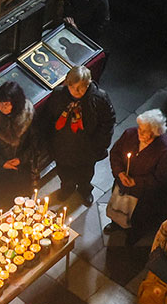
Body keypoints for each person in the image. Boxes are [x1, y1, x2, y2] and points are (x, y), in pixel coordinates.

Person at [41, 64, 115, 203]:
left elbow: (108, 121)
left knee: (85, 174)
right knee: (64, 172)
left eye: (82, 87)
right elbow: (48, 118)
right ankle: (67, 189)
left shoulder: (98, 98)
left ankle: (84, 190)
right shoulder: (58, 95)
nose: (77, 91)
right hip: (62, 146)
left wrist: (99, 145)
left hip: (87, 148)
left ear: (88, 84)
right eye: (73, 87)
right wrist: (49, 142)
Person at [107, 108, 167, 235]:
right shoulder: (130, 134)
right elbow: (115, 153)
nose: (139, 133)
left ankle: (133, 234)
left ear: (156, 132)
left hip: (142, 193)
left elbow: (161, 178)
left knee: (137, 216)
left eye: (145, 131)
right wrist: (120, 173)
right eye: (139, 128)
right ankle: (115, 224)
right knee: (117, 206)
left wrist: (136, 182)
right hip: (122, 183)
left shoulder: (165, 150)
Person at [0, 80, 43, 198]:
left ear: (15, 103)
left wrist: (20, 159)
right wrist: (2, 163)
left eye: (7, 104)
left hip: (23, 168)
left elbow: (35, 143)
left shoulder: (27, 115)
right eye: (0, 103)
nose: (2, 107)